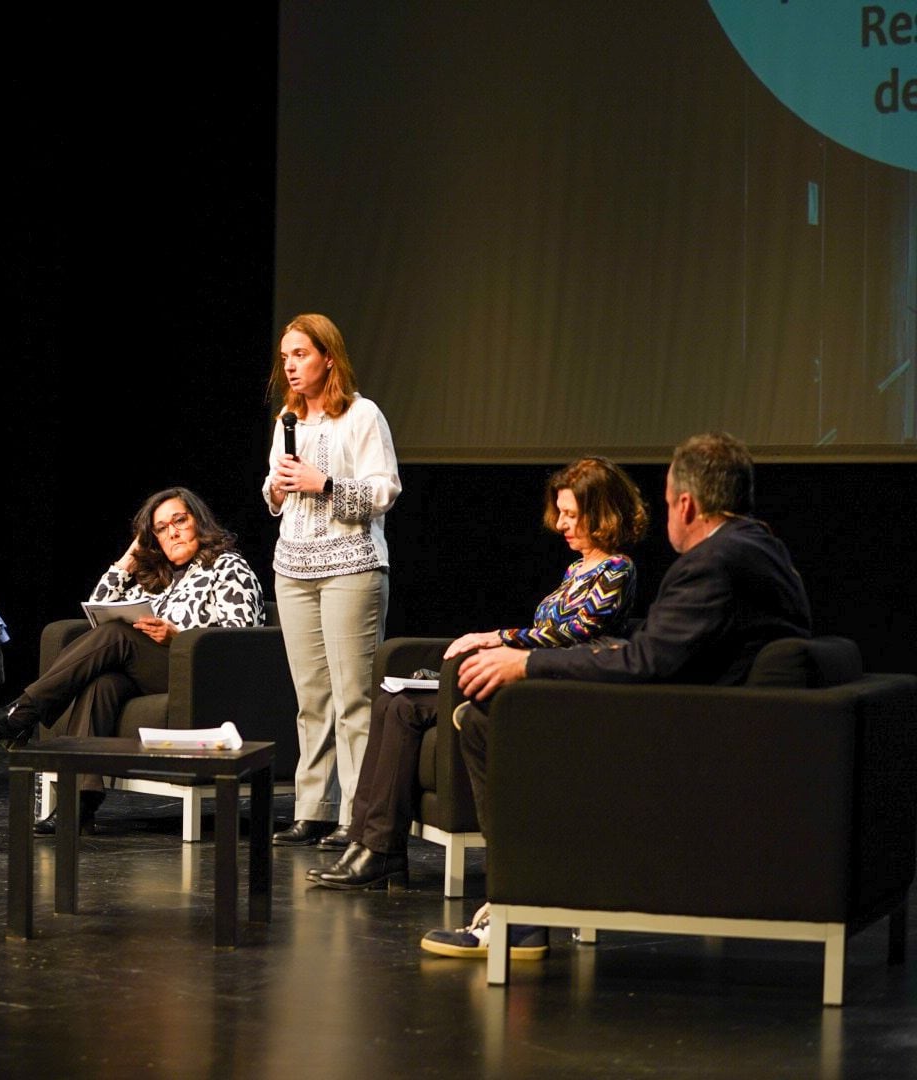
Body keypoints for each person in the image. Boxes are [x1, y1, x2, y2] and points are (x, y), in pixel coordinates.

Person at [421, 432, 812, 960]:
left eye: (670, 502)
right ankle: (526, 904)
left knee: (493, 720)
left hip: (688, 736)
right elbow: (664, 646)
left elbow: (643, 662)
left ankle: (518, 911)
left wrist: (527, 663)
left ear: (688, 504)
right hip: (718, 720)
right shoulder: (763, 547)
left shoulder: (710, 562)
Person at [309, 457, 648, 898]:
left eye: (571, 514)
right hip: (531, 679)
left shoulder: (616, 568)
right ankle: (366, 843)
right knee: (392, 703)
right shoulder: (575, 570)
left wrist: (495, 638)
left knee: (408, 706)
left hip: (554, 689)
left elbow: (573, 630)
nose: (561, 524)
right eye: (560, 512)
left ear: (602, 512)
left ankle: (380, 853)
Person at [0, 487, 265, 833]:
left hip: (200, 672)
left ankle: (22, 714)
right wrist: (130, 556)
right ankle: (79, 805)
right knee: (102, 683)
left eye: (180, 520)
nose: (172, 532)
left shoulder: (227, 565)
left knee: (117, 635)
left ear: (199, 521)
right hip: (151, 670)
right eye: (161, 529)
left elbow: (239, 636)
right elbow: (96, 608)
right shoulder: (156, 578)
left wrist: (178, 635)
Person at [262, 313, 402, 849]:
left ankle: (357, 816)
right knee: (312, 698)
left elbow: (384, 490)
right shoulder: (288, 420)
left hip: (351, 567)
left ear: (328, 356)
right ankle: (314, 808)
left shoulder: (362, 415)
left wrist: (324, 484)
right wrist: (277, 487)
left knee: (353, 699)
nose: (291, 366)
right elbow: (275, 492)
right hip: (293, 567)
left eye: (300, 354)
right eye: (285, 357)